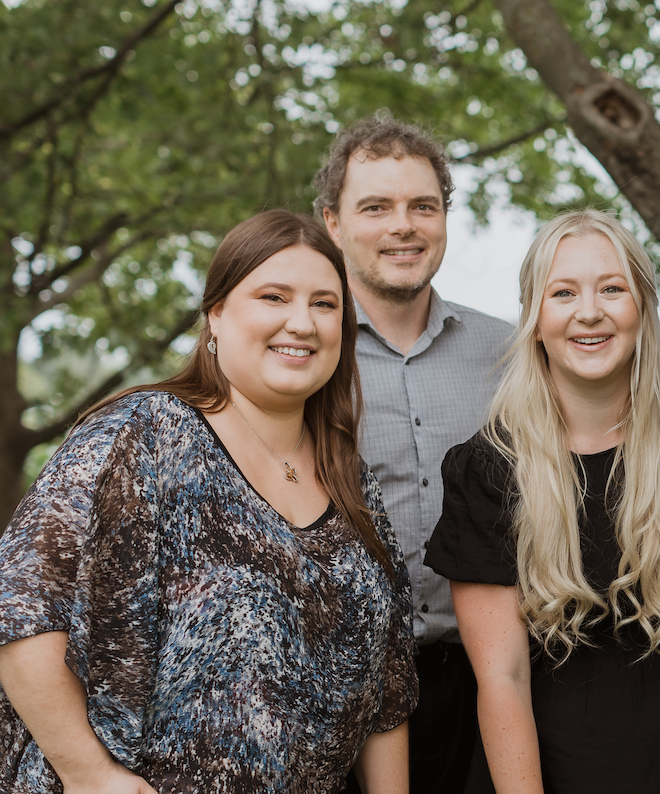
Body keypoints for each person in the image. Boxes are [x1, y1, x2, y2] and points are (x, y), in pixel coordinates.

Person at [0, 210, 415, 793]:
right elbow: (20, 607)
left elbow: (388, 689)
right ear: (216, 313)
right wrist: (90, 774)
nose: (302, 323)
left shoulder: (350, 480)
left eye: (325, 304)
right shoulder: (145, 433)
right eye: (274, 297)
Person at [425, 209, 660, 793]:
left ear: (643, 307)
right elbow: (503, 678)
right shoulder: (489, 469)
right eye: (563, 292)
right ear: (533, 318)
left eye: (612, 289)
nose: (589, 311)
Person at [313, 111, 512, 789]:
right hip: (340, 690)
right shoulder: (301, 353)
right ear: (333, 222)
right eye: (376, 207)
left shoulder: (509, 353)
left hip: (489, 682)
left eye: (423, 206)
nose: (404, 226)